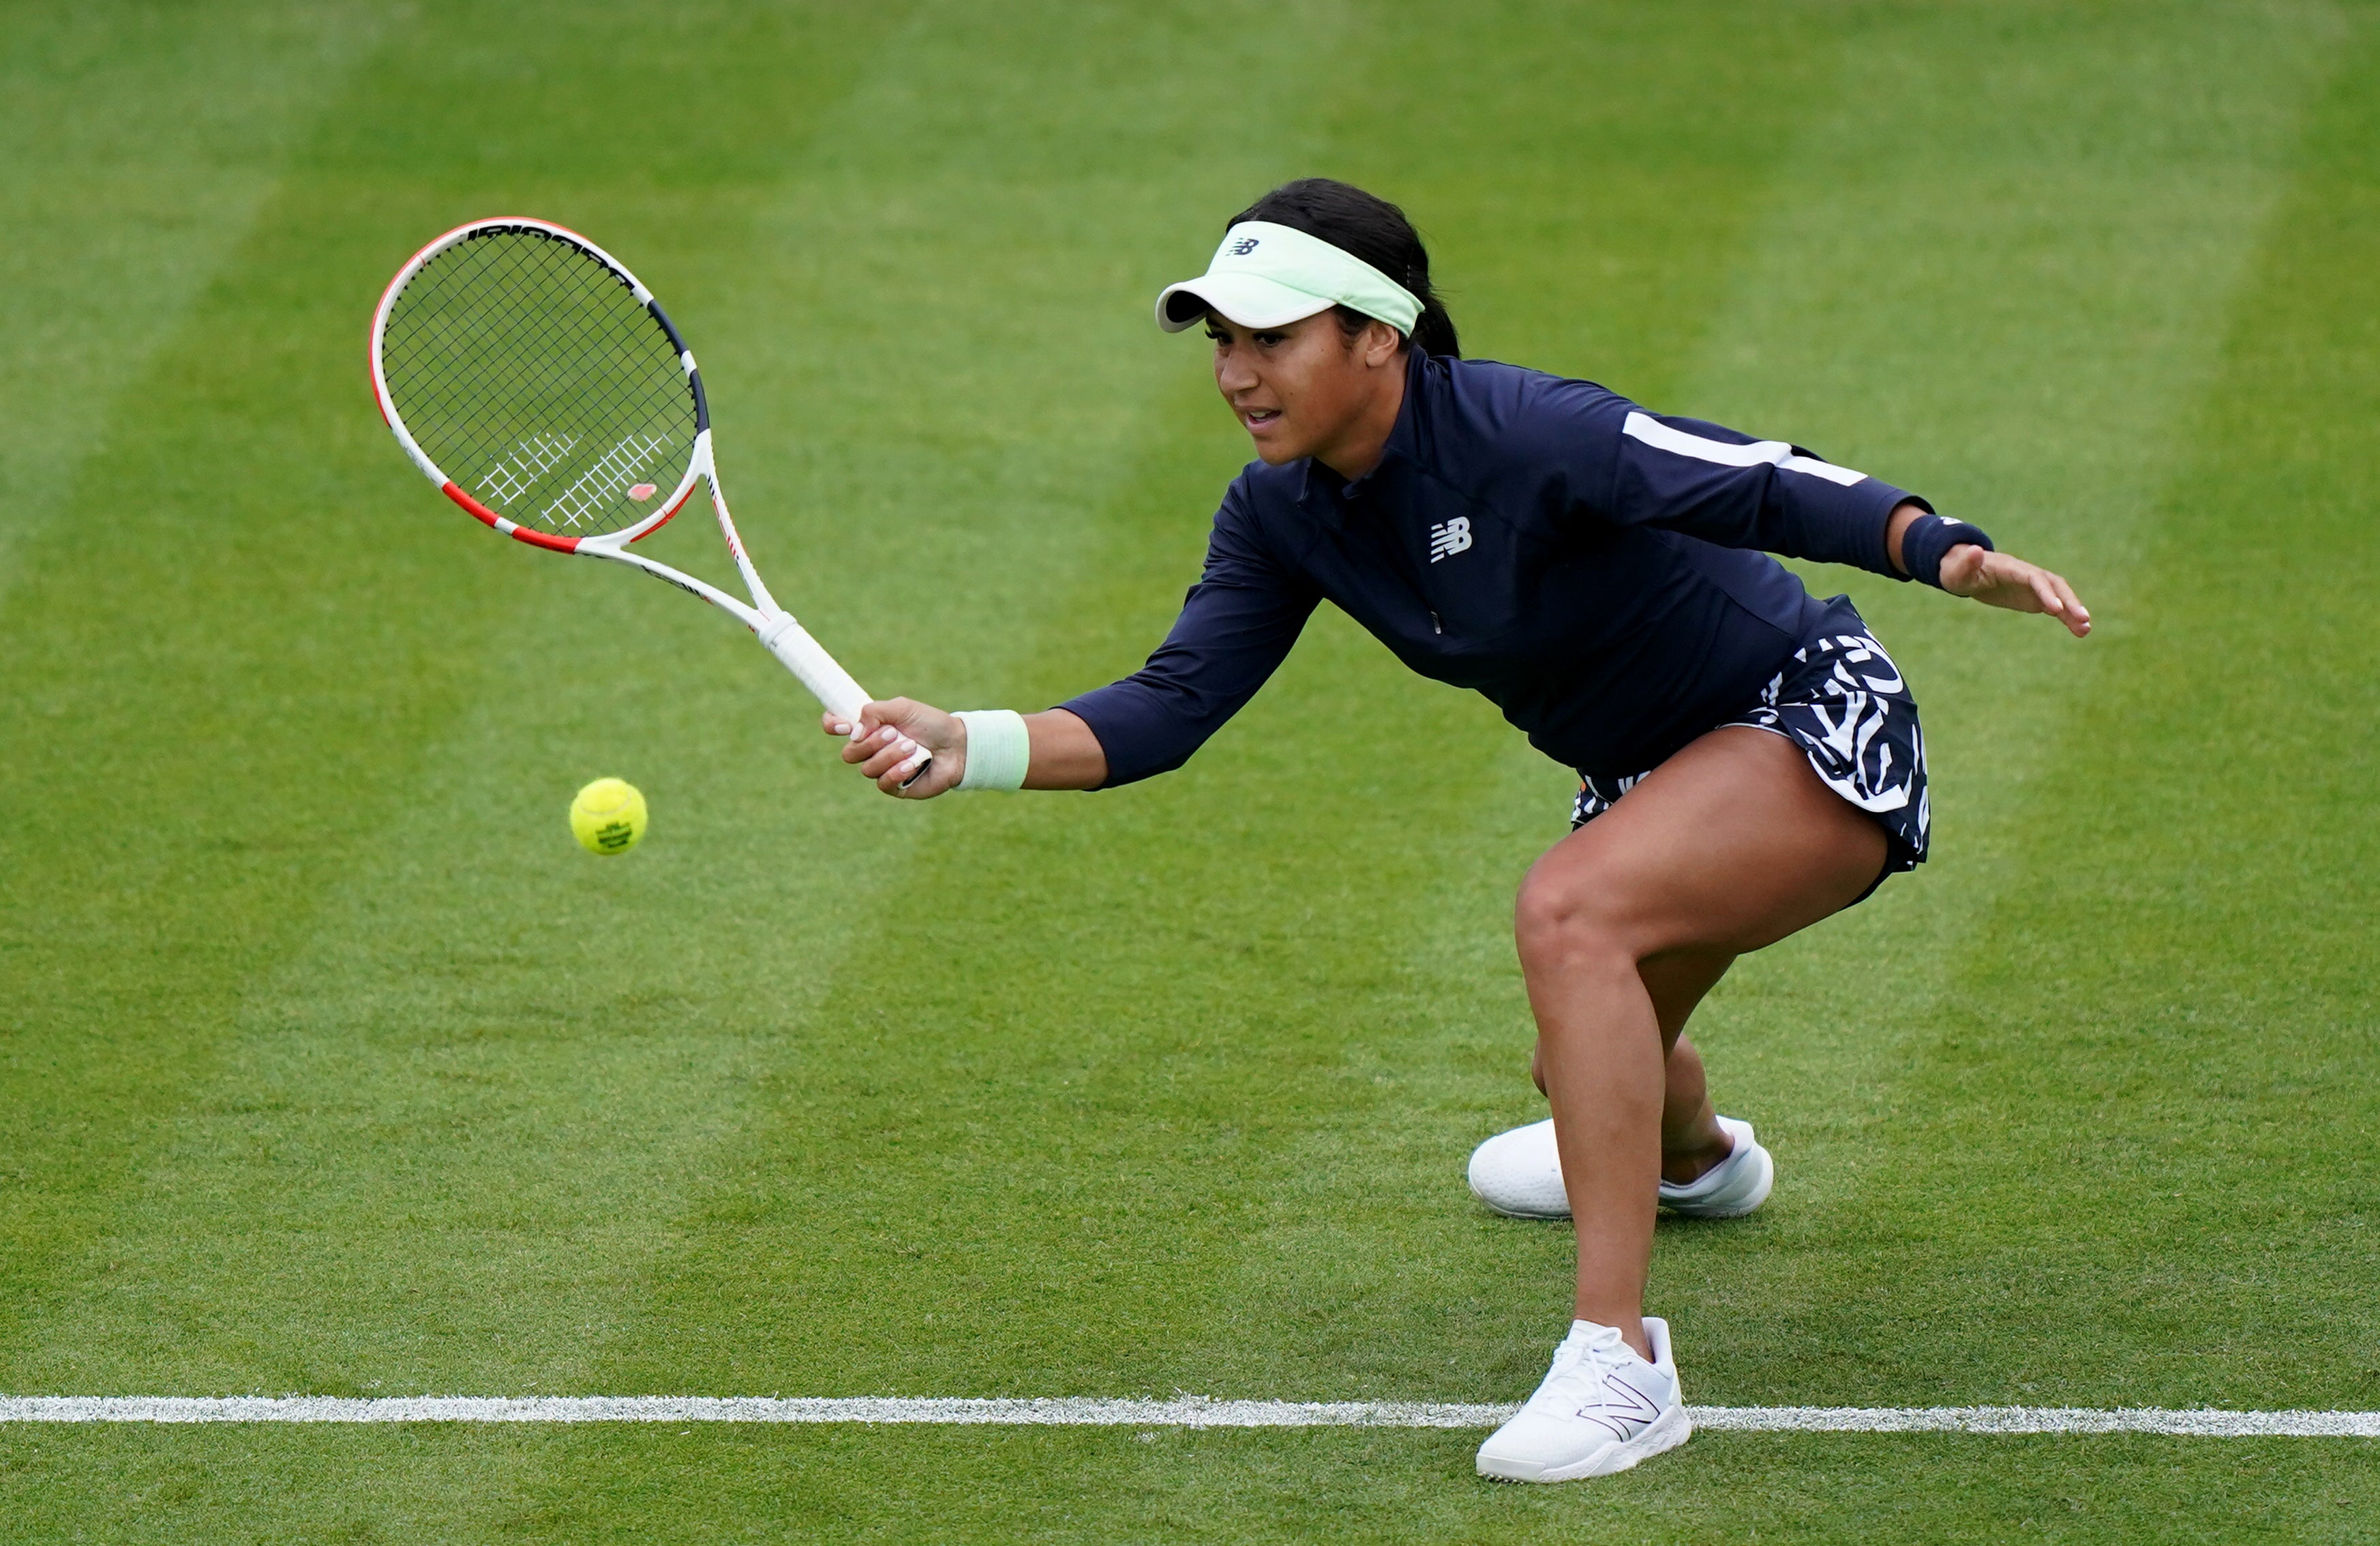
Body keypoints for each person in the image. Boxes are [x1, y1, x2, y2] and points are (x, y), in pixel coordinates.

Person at [823, 179, 2089, 1483]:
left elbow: (1754, 480)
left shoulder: (1525, 428)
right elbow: (1170, 706)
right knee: (1589, 1077)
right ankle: (1702, 1166)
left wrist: (1937, 546)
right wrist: (967, 744)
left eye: (1272, 339)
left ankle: (1621, 1362)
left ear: (1379, 333)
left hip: (1812, 723)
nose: (1237, 375)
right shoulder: (1281, 513)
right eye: (1221, 342)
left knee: (1570, 910)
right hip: (1654, 776)